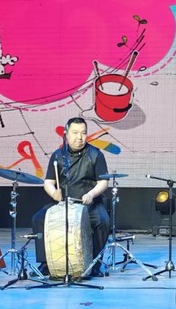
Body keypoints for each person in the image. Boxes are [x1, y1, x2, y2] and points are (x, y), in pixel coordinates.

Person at [31, 117, 110, 278]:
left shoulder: (95, 154)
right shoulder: (58, 155)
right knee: (38, 219)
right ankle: (46, 263)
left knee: (102, 221)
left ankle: (95, 263)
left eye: (83, 133)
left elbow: (103, 182)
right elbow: (48, 182)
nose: (79, 137)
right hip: (63, 203)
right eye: (75, 133)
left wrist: (91, 194)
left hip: (88, 202)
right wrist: (54, 193)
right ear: (66, 134)